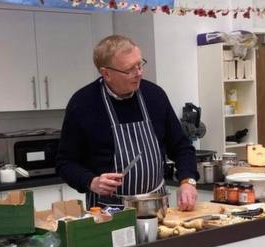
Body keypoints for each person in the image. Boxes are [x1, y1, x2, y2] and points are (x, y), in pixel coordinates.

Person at [57, 35, 198, 211]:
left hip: (156, 206)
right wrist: (91, 181)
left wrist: (188, 181)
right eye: (129, 69)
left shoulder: (155, 95)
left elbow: (181, 147)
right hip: (107, 211)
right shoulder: (83, 104)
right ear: (106, 73)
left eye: (140, 64)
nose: (139, 73)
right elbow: (65, 163)